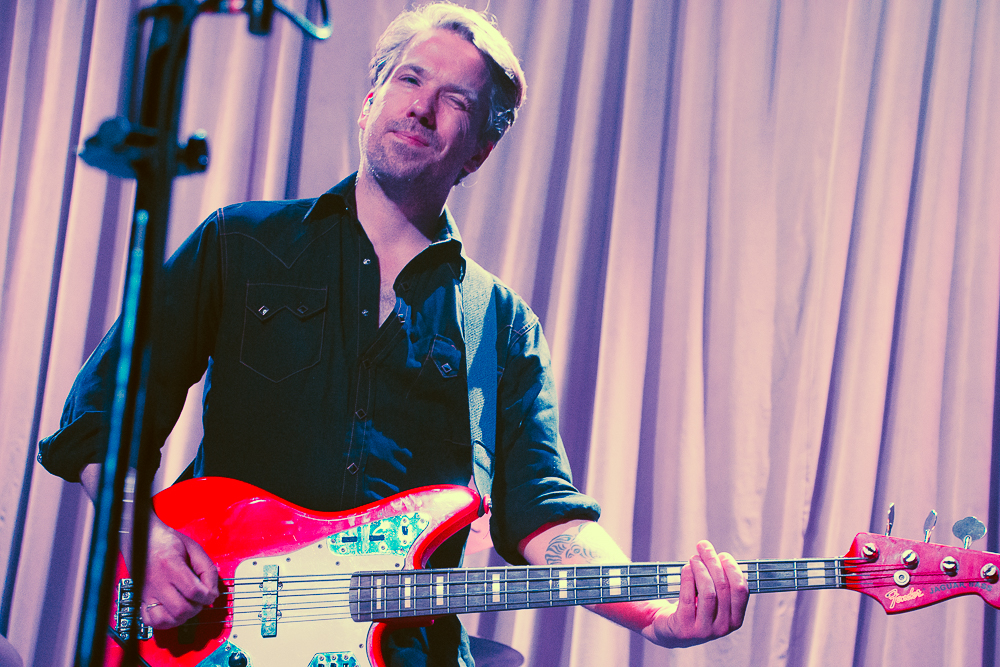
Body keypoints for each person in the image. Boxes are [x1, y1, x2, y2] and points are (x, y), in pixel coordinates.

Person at [40, 2, 748, 664]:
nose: (421, 106)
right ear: (369, 102)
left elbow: (545, 516)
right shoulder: (239, 243)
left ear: (479, 151)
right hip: (215, 638)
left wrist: (656, 616)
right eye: (410, 78)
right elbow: (102, 417)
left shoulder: (502, 324)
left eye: (456, 100)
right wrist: (143, 535)